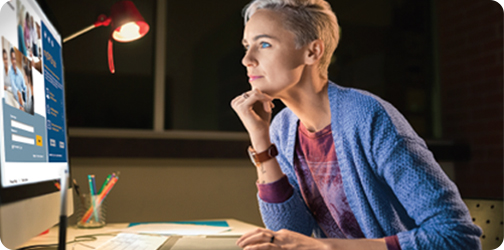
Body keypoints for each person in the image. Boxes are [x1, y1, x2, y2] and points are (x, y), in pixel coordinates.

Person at [230, 0, 482, 249]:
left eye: (264, 44)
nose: (247, 59)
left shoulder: (368, 118)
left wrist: (328, 248)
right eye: (246, 46)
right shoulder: (283, 129)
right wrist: (260, 138)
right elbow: (290, 232)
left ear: (312, 52)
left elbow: (456, 236)